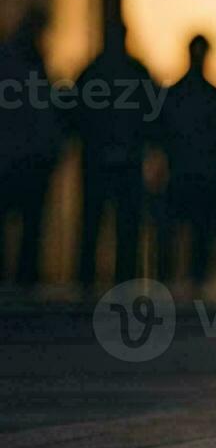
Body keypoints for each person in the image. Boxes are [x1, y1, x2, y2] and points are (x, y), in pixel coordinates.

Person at [76, 22, 154, 288]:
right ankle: (119, 281)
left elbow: (75, 116)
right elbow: (152, 117)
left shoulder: (93, 73)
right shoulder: (134, 73)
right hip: (124, 161)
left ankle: (87, 280)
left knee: (96, 225)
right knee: (123, 227)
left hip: (104, 161)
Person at [156, 35, 216, 289]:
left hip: (189, 174)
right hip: (193, 175)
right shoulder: (211, 98)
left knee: (191, 235)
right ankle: (185, 281)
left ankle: (180, 281)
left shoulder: (178, 96)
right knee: (192, 236)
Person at [0, 10, 62, 290]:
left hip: (26, 158)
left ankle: (22, 279)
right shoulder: (21, 64)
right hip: (18, 158)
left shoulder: (31, 64)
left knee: (28, 226)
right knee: (26, 225)